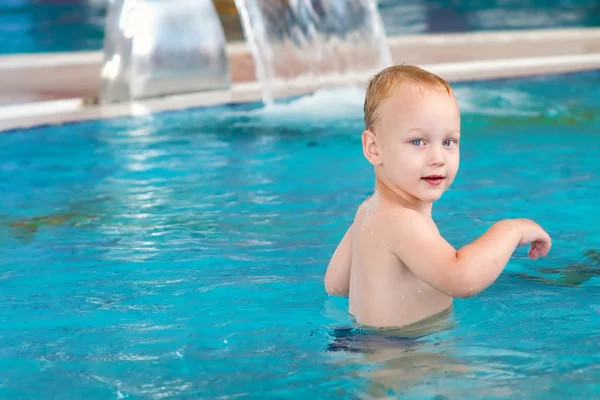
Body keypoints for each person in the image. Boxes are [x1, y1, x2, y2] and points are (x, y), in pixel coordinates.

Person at [324, 65, 552, 329]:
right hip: (405, 355)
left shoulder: (368, 211)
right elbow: (461, 278)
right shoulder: (401, 221)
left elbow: (336, 284)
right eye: (418, 142)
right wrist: (510, 229)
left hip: (370, 346)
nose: (438, 158)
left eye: (448, 142)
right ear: (374, 148)